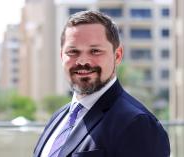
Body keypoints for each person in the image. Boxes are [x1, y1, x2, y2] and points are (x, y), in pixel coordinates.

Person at [33, 10, 170, 157]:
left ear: (117, 56)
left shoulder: (137, 124)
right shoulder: (58, 118)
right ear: (61, 56)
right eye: (73, 52)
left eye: (95, 51)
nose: (83, 61)